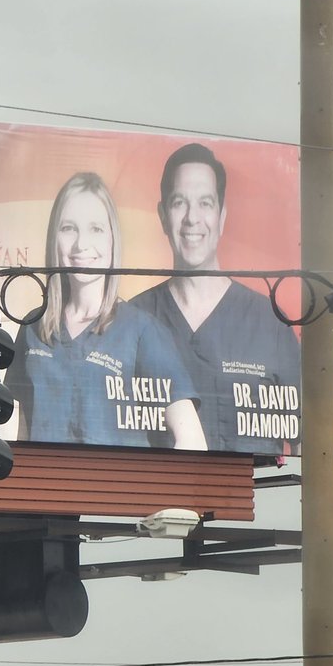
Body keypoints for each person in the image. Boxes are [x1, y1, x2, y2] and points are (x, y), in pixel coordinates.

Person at [5, 172, 206, 450]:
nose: (81, 244)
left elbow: (193, 440)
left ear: (113, 240)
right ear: (54, 237)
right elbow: (24, 435)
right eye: (69, 228)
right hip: (48, 491)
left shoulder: (142, 332)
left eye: (95, 229)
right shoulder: (33, 327)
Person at [131, 143, 301, 454]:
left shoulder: (270, 323)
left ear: (222, 217)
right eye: (179, 202)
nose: (192, 219)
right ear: (162, 215)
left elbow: (311, 433)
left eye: (205, 203)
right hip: (152, 501)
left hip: (244, 499)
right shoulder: (131, 320)